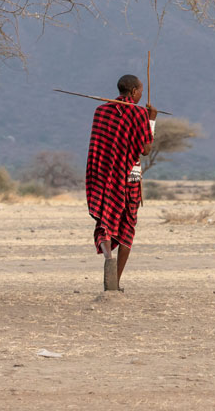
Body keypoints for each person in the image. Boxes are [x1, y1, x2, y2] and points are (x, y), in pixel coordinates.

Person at [85, 74, 156, 291]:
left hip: (104, 176)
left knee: (105, 220)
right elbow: (145, 149)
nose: (142, 94)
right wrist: (151, 119)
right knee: (127, 224)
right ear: (134, 92)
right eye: (141, 90)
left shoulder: (101, 111)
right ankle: (114, 281)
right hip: (129, 177)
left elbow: (97, 146)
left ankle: (108, 256)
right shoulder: (139, 114)